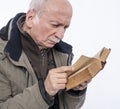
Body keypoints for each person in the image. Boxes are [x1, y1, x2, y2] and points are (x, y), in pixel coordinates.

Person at [0, 0, 90, 109]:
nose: (61, 36)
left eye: (65, 27)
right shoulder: (2, 55)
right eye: (55, 25)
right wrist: (44, 92)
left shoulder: (63, 54)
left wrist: (74, 90)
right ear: (30, 18)